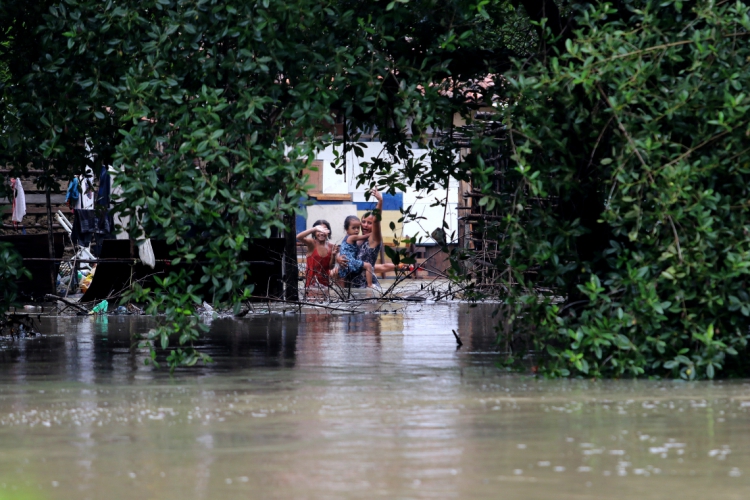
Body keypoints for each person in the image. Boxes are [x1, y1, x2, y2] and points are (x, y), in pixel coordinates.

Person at [337, 187, 400, 288]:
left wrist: (380, 201)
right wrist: (339, 259)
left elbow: (376, 221)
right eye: (363, 222)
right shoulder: (354, 239)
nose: (365, 225)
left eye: (369, 223)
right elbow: (344, 252)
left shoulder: (373, 240)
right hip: (351, 286)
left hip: (366, 286)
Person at [297, 220, 337, 292]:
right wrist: (314, 228)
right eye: (319, 231)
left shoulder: (331, 247)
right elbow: (299, 237)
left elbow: (331, 267)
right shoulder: (312, 243)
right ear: (314, 233)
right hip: (311, 284)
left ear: (328, 232)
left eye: (324, 230)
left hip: (325, 284)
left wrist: (333, 255)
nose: (321, 233)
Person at [338, 215, 374, 288]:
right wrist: (373, 233)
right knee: (368, 266)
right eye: (354, 228)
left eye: (358, 228)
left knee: (343, 285)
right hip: (350, 261)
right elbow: (364, 236)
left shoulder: (345, 238)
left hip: (344, 263)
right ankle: (370, 285)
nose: (357, 230)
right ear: (347, 229)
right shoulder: (352, 237)